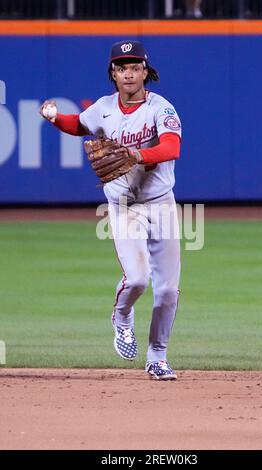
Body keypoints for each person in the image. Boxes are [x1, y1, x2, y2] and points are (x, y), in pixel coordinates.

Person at [40, 40, 182, 380]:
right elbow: (79, 125)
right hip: (123, 207)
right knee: (136, 279)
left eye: (135, 67)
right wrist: (56, 117)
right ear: (113, 74)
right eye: (122, 68)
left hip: (161, 203)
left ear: (145, 72)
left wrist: (137, 156)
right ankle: (121, 316)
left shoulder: (161, 108)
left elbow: (172, 147)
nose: (129, 73)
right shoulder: (103, 108)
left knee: (166, 289)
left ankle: (158, 356)